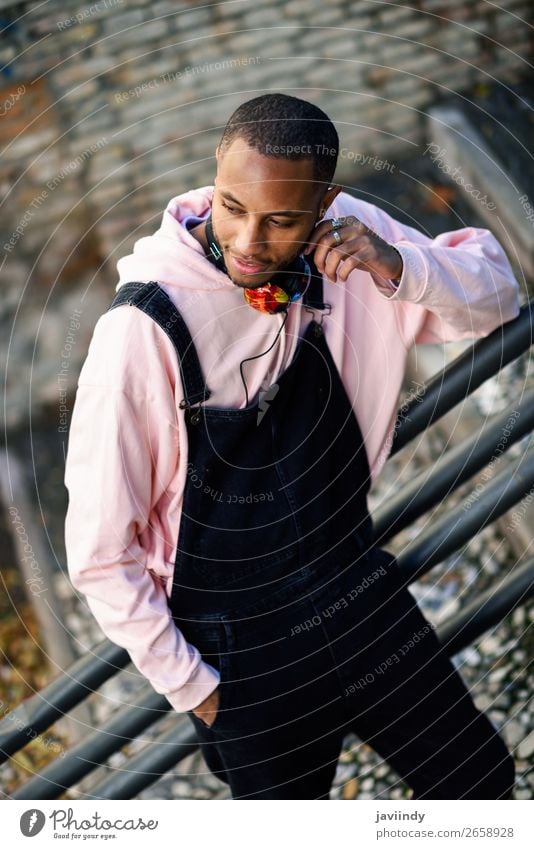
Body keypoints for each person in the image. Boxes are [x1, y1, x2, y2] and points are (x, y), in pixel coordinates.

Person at [64, 93, 519, 800]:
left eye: (281, 220)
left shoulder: (352, 239)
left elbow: (498, 298)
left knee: (481, 785)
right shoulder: (139, 333)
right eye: (232, 206)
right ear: (215, 173)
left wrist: (398, 266)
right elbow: (98, 551)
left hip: (357, 585)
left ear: (325, 202)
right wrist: (202, 690)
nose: (248, 242)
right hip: (242, 655)